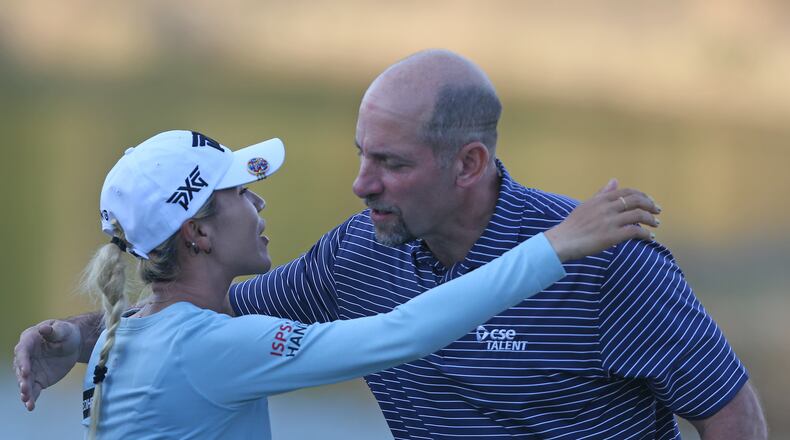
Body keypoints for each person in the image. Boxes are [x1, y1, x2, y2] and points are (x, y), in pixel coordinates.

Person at [14, 50, 766, 439]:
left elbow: (729, 412)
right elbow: (395, 333)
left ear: (468, 163)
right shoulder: (356, 257)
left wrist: (82, 338)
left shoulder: (611, 262)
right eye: (361, 153)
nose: (360, 185)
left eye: (390, 163)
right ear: (198, 231)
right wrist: (79, 336)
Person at [42, 128, 658, 439]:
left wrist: (68, 338)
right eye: (238, 193)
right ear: (197, 233)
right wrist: (556, 245)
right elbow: (403, 334)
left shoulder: (126, 333)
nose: (259, 203)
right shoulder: (207, 345)